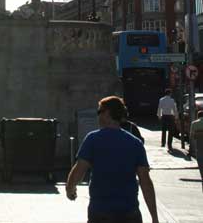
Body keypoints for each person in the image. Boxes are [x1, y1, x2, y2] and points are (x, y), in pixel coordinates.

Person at [66, 95, 159, 223]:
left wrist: (70, 189)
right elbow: (145, 181)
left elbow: (79, 170)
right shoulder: (135, 143)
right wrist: (154, 217)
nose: (98, 116)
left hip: (100, 212)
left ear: (107, 114)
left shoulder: (92, 139)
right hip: (129, 212)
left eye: (99, 111)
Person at [190, 109, 203, 187]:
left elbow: (191, 136)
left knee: (200, 160)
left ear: (198, 116)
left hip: (199, 145)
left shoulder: (194, 123)